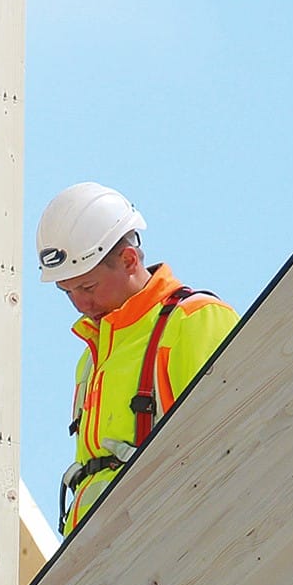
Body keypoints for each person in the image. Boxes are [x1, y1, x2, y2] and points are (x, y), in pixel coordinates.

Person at [37, 182, 239, 534]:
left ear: (129, 260)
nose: (80, 305)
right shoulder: (93, 357)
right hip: (96, 554)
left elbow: (228, 449)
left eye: (87, 287)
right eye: (66, 291)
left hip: (165, 543)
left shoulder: (194, 321)